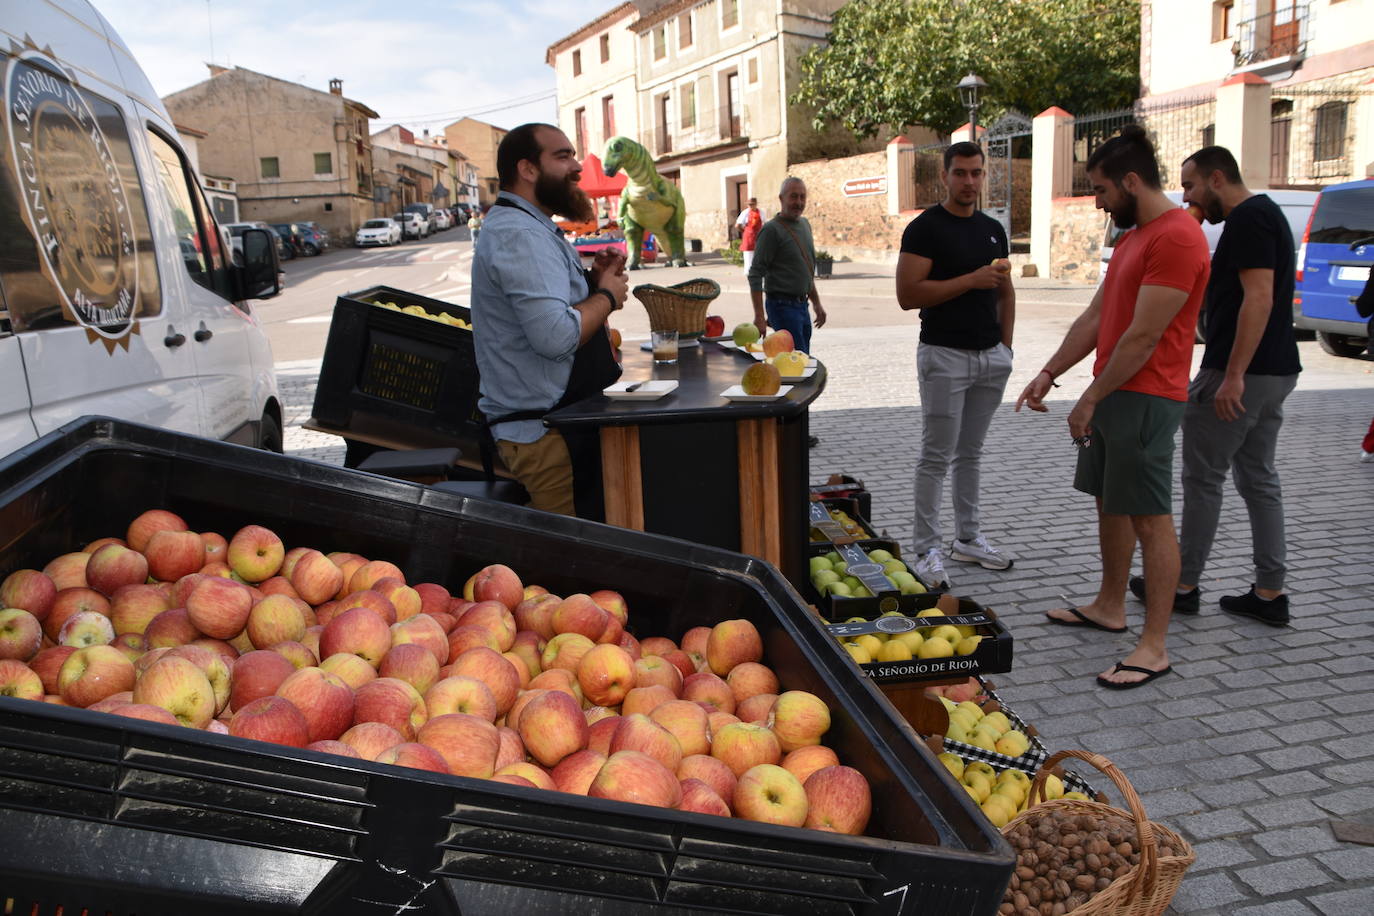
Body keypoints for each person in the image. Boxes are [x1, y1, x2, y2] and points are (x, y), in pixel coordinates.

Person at [1014, 125, 1210, 689]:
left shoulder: (1175, 238)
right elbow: (1097, 318)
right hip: (1115, 392)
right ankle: (1108, 605)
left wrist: (1092, 398)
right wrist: (1051, 372)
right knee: (1111, 501)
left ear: (1130, 181)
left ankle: (1153, 647)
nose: (1097, 202)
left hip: (1145, 399)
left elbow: (1145, 338)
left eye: (1101, 190)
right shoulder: (1133, 237)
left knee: (1151, 518)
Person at [1127, 146, 1301, 627]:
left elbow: (1259, 298)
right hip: (1280, 370)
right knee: (1259, 479)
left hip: (1239, 374)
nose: (1186, 197)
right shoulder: (1268, 215)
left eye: (1190, 186)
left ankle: (1183, 585)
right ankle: (1269, 592)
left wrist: (1233, 375)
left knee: (1203, 480)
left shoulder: (1247, 221)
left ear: (1216, 179)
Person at [471, 123, 628, 519]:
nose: (575, 166)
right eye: (562, 156)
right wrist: (607, 297)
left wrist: (594, 282)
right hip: (547, 437)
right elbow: (556, 335)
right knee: (574, 564)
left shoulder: (531, 225)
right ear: (527, 169)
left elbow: (546, 306)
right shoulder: (520, 234)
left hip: (558, 426)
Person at [895, 140, 1017, 588]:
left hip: (990, 359)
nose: (969, 181)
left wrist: (1006, 349)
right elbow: (908, 295)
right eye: (961, 173)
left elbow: (1005, 291)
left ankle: (968, 538)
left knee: (971, 454)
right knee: (935, 456)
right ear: (945, 176)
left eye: (976, 173)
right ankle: (926, 549)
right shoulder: (925, 229)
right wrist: (970, 280)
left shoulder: (992, 229)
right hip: (943, 356)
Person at [747, 177, 827, 352]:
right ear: (781, 199)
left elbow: (805, 270)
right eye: (793, 197)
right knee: (796, 362)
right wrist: (759, 317)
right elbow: (755, 274)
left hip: (802, 306)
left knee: (801, 360)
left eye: (802, 197)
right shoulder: (771, 231)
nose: (798, 202)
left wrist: (816, 303)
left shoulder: (805, 225)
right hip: (782, 307)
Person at [735, 197, 764, 272]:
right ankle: (748, 271)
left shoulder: (761, 212)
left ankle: (758, 270)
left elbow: (764, 223)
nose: (750, 206)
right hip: (748, 236)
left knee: (758, 253)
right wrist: (745, 231)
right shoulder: (745, 213)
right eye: (749, 205)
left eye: (752, 204)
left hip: (758, 235)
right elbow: (737, 225)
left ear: (756, 204)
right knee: (748, 254)